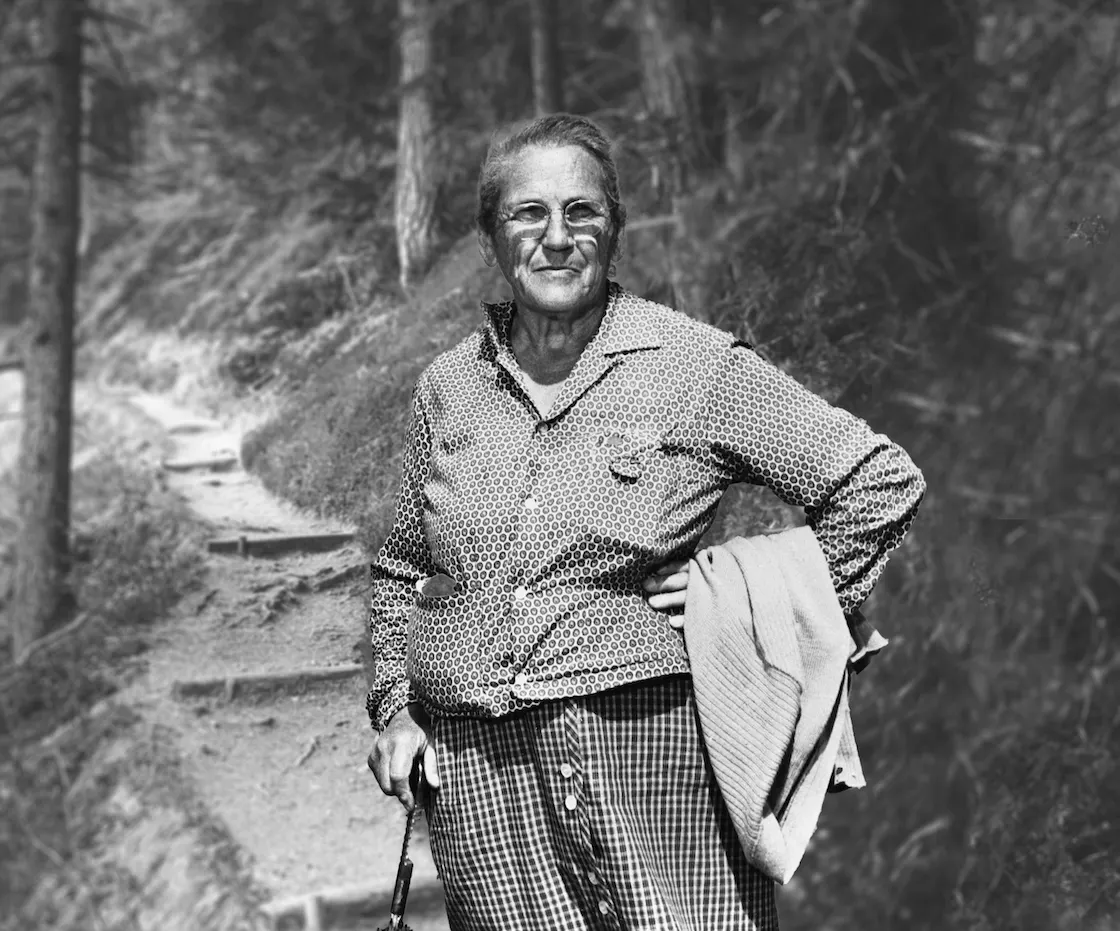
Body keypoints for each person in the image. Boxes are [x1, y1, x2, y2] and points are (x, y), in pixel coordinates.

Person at [361, 113, 926, 930]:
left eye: (582, 211)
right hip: (480, 793)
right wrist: (394, 709)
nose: (557, 238)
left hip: (652, 768)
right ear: (491, 238)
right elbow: (401, 570)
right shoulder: (449, 387)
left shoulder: (691, 365)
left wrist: (743, 598)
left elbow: (878, 482)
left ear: (615, 229)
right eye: (529, 213)